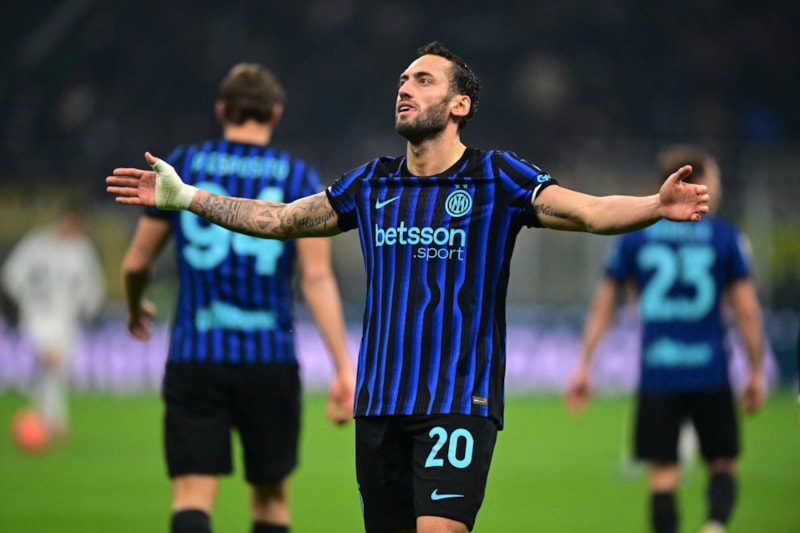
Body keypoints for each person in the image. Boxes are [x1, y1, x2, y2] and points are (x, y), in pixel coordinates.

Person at [108, 42, 710, 533]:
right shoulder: (371, 183)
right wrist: (186, 197)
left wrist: (654, 206)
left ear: (459, 105)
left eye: (423, 80)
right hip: (379, 406)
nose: (405, 88)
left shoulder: (497, 177)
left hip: (458, 401)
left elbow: (589, 212)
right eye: (402, 80)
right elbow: (283, 220)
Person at [119, 63, 355, 533]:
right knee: (270, 501)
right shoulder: (296, 175)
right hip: (270, 359)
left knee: (191, 497)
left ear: (221, 110)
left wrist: (134, 305)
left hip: (195, 354)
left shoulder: (184, 165)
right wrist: (343, 367)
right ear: (276, 114)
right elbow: (316, 279)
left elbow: (136, 263)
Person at [564, 145, 767, 533]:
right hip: (710, 370)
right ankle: (714, 525)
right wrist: (756, 370)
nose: (719, 186)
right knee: (723, 461)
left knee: (663, 473)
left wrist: (584, 364)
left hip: (659, 372)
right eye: (715, 178)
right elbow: (746, 310)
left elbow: (605, 305)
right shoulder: (725, 237)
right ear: (697, 181)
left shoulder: (635, 237)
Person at [1, 199, 105, 443]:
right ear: (64, 219)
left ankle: (44, 423)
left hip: (65, 321)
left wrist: (85, 309)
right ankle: (54, 424)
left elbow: (93, 288)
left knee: (54, 373)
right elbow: (11, 275)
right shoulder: (37, 244)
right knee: (50, 362)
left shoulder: (82, 250)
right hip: (36, 317)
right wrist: (24, 301)